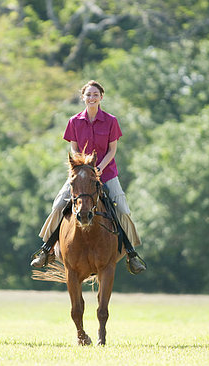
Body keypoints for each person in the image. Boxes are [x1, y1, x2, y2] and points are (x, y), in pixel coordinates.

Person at [31, 80, 146, 274]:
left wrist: (98, 168)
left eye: (95, 94)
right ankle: (47, 250)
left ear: (102, 97)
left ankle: (131, 254)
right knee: (59, 205)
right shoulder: (74, 121)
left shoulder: (111, 121)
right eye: (88, 94)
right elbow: (73, 148)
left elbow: (112, 151)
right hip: (80, 174)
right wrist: (82, 168)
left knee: (123, 210)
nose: (91, 98)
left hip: (106, 173)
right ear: (82, 97)